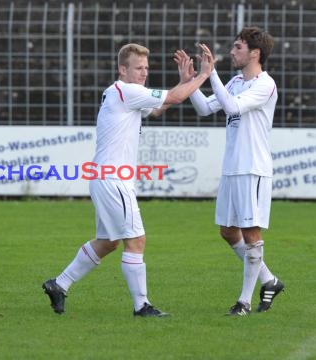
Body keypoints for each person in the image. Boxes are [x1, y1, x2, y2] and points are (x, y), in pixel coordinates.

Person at [42, 43, 214, 316]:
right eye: (138, 68)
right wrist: (203, 76)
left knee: (108, 242)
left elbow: (157, 108)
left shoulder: (122, 93)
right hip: (113, 179)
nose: (144, 72)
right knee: (136, 240)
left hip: (104, 177)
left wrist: (184, 82)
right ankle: (142, 306)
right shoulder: (127, 90)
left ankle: (58, 284)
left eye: (146, 68)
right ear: (123, 69)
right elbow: (175, 98)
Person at [176, 26, 284, 316]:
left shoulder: (265, 84)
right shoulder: (236, 81)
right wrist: (191, 82)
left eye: (238, 47)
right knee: (228, 231)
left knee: (250, 232)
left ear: (255, 53)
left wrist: (210, 73)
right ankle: (269, 280)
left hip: (253, 168)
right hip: (232, 167)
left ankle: (244, 302)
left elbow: (233, 108)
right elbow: (205, 109)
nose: (232, 52)